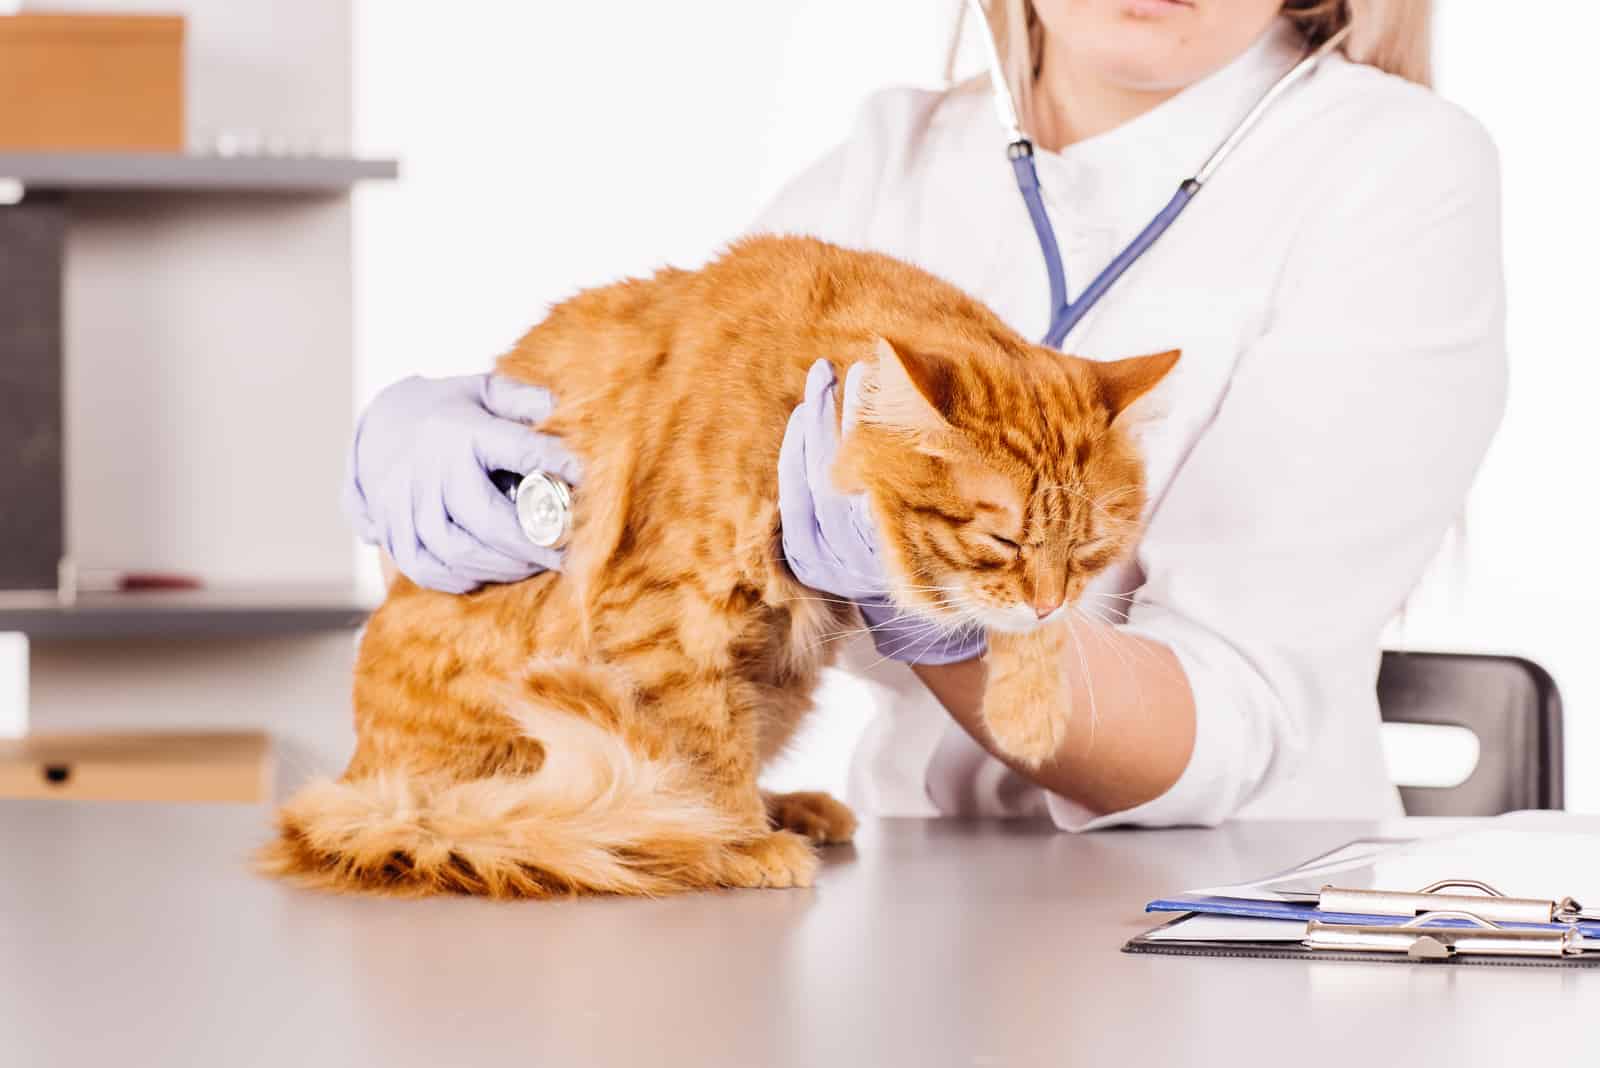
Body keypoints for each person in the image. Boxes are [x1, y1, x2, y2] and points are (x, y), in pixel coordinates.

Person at [343, 0, 1504, 830]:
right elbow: (680, 527)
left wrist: (950, 619)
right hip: (914, 887)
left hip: (1237, 905)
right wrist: (508, 469)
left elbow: (1232, 725)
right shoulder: (892, 157)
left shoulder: (1392, 167)